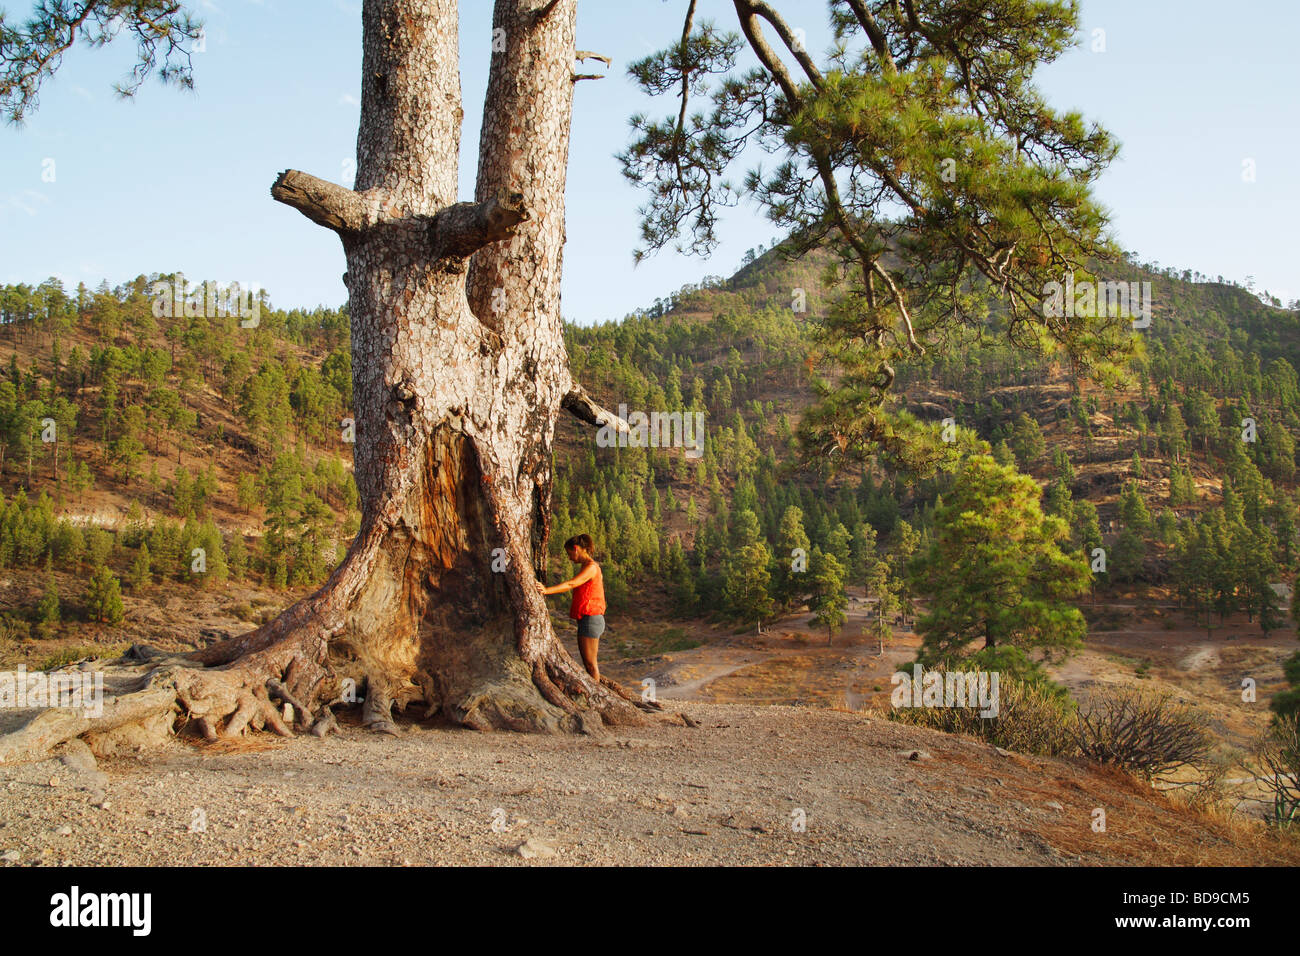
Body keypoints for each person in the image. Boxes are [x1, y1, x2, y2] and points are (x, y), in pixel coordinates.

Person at [536, 533, 606, 681]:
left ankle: (595, 694)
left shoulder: (592, 568)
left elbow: (571, 583)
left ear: (576, 549)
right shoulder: (587, 566)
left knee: (590, 664)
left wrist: (546, 590)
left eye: (569, 554)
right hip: (588, 619)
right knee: (589, 663)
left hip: (591, 619)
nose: (569, 558)